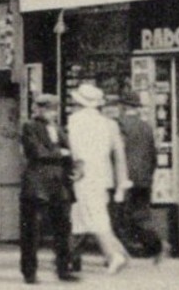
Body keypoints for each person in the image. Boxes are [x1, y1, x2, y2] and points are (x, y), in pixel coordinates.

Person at [66, 82, 130, 274]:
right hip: (103, 177)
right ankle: (120, 252)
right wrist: (122, 183)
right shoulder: (110, 124)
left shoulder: (75, 120)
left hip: (83, 176)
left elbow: (74, 150)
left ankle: (114, 255)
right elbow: (119, 155)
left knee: (94, 218)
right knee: (90, 215)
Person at [19, 93, 76, 284]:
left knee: (63, 227)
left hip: (59, 183)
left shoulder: (58, 129)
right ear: (40, 109)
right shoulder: (30, 127)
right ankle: (29, 271)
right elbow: (37, 152)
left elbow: (71, 153)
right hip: (37, 183)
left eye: (54, 109)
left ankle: (63, 268)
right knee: (32, 229)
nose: (53, 113)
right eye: (49, 109)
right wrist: (62, 152)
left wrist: (73, 167)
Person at [113, 94, 164, 262]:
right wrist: (148, 174)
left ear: (123, 106)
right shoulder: (146, 127)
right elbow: (153, 155)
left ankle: (120, 252)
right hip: (144, 178)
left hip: (124, 177)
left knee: (120, 215)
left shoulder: (119, 125)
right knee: (141, 213)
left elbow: (116, 153)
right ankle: (154, 245)